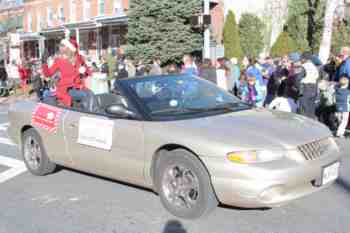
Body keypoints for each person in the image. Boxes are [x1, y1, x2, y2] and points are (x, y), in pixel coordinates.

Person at [41, 38, 89, 107]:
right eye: (60, 46)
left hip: (79, 87)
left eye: (63, 46)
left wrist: (84, 71)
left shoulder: (79, 59)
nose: (60, 48)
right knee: (85, 95)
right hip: (66, 89)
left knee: (89, 94)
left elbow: (87, 72)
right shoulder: (59, 61)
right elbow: (48, 74)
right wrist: (44, 63)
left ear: (69, 48)